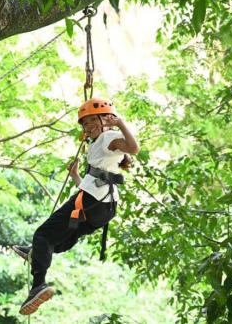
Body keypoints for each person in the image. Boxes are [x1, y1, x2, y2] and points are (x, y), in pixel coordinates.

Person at [12, 97, 140, 315]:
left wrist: (119, 123)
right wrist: (75, 175)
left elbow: (134, 148)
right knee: (57, 243)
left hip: (93, 201)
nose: (87, 127)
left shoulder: (110, 137)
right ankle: (36, 254)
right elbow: (92, 185)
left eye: (92, 122)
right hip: (103, 206)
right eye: (84, 124)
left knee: (43, 234)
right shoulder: (99, 145)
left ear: (105, 120)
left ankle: (38, 286)